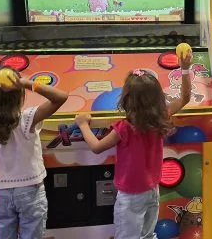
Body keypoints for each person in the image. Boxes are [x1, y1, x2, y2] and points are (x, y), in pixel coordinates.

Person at [75, 49, 193, 239]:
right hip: (152, 190)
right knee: (147, 235)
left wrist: (82, 125)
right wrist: (185, 68)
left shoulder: (124, 128)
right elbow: (185, 98)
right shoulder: (160, 117)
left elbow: (97, 147)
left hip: (130, 196)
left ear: (127, 99)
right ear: (157, 97)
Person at [0, 66, 69, 239]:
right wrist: (28, 83)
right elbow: (61, 97)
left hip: (0, 193)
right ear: (18, 95)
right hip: (30, 190)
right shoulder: (27, 119)